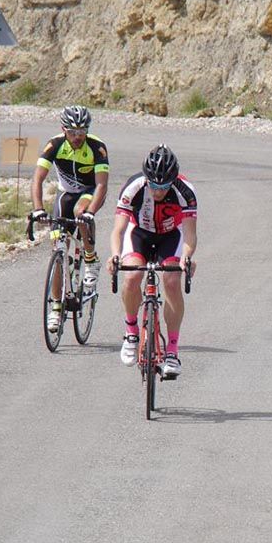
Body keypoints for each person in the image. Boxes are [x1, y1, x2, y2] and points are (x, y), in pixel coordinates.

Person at [106, 145, 197, 377]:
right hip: (140, 235)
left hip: (170, 236)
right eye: (153, 185)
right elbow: (118, 229)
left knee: (172, 281)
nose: (157, 191)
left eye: (163, 186)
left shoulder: (185, 191)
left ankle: (173, 351)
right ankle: (131, 331)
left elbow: (189, 234)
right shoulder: (133, 187)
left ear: (172, 180)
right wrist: (115, 255)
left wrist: (187, 258)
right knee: (132, 274)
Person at [30, 105, 109, 333]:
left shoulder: (97, 147)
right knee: (58, 247)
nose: (77, 137)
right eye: (73, 132)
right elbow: (37, 180)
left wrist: (90, 212)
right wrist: (37, 209)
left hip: (89, 191)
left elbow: (102, 184)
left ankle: (91, 258)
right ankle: (56, 308)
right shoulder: (54, 145)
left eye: (82, 131)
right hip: (65, 194)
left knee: (79, 213)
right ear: (63, 129)